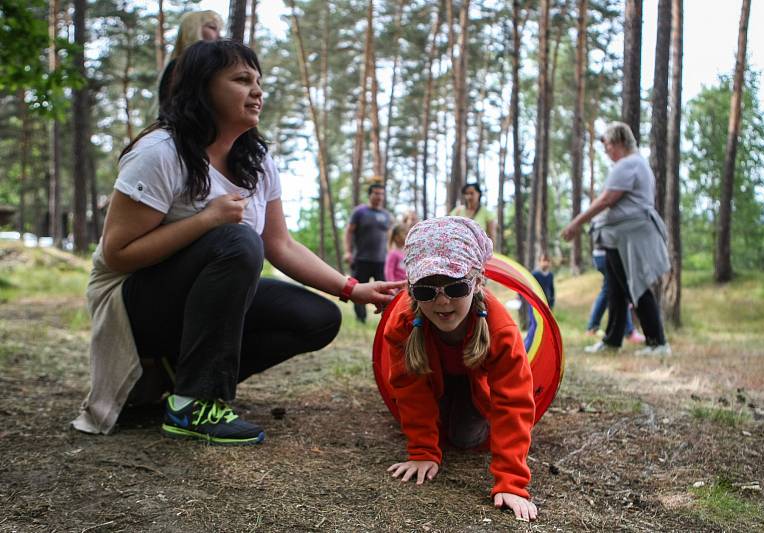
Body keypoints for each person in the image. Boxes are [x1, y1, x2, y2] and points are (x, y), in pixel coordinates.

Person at [71, 40, 403, 445]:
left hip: (198, 302)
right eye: (242, 80)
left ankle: (179, 375)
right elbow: (117, 254)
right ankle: (196, 402)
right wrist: (206, 220)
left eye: (258, 81)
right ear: (202, 88)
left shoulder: (257, 161)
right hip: (132, 303)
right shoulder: (160, 152)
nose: (257, 91)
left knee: (317, 318)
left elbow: (280, 244)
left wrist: (351, 289)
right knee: (237, 240)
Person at [384, 216, 539, 522]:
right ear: (412, 289)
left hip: (474, 386)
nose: (442, 302)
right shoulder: (403, 321)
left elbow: (514, 401)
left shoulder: (500, 329)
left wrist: (511, 482)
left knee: (464, 439)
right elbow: (408, 386)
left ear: (478, 281)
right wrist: (423, 451)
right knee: (434, 427)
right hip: (431, 379)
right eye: (427, 290)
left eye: (455, 287)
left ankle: (458, 414)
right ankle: (438, 423)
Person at [561, 121, 671, 356]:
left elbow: (606, 200)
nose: (606, 150)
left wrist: (576, 223)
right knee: (615, 290)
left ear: (620, 142)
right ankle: (612, 340)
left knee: (636, 286)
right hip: (616, 239)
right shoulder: (633, 164)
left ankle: (657, 342)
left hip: (629, 239)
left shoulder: (629, 164)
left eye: (608, 144)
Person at [344, 182, 393, 323]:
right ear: (370, 194)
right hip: (361, 259)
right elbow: (349, 232)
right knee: (357, 290)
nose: (379, 196)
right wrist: (348, 251)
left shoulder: (386, 215)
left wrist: (391, 254)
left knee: (386, 291)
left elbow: (390, 237)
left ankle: (387, 319)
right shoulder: (360, 212)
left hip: (381, 261)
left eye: (382, 194)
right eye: (376, 193)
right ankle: (361, 319)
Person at [157, 10, 223, 112]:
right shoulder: (176, 68)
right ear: (193, 30)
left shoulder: (219, 68)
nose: (219, 35)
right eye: (212, 28)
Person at [586, 244, 645, 343]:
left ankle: (592, 327)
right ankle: (629, 332)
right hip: (607, 254)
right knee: (619, 291)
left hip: (601, 254)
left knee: (608, 291)